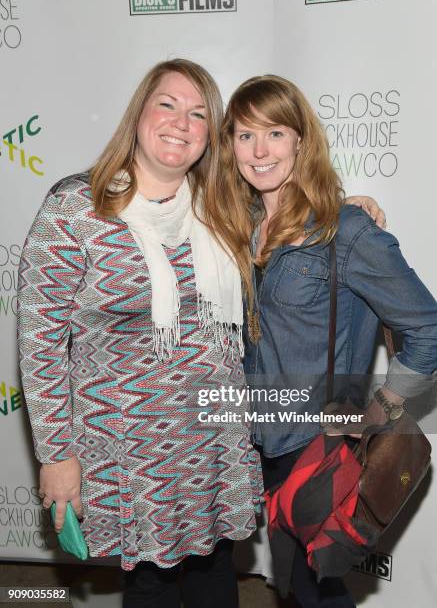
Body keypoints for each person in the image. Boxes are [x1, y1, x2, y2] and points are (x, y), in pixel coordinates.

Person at [18, 58, 383, 608]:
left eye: (198, 114)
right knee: (151, 583)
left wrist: (345, 211)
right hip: (127, 447)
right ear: (139, 113)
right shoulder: (75, 208)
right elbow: (40, 344)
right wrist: (56, 456)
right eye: (167, 104)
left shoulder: (218, 204)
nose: (181, 122)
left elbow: (287, 211)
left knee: (216, 572)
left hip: (215, 437)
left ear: (208, 136)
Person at [214, 74, 437, 608]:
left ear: (300, 140)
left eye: (275, 133)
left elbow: (428, 327)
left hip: (321, 442)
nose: (260, 150)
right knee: (298, 585)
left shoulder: (348, 231)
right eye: (245, 136)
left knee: (318, 591)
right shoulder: (236, 225)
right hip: (261, 440)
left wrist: (385, 404)